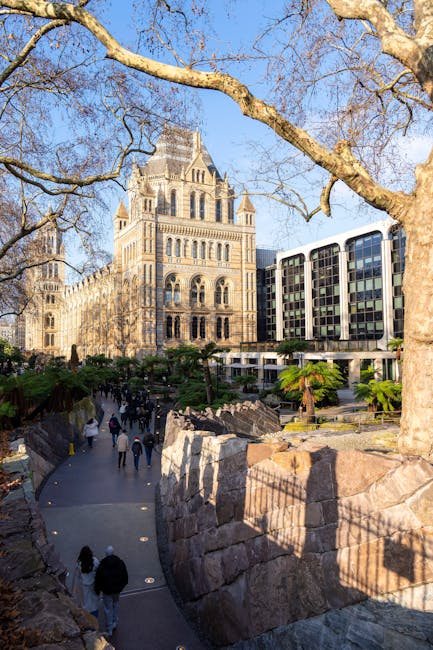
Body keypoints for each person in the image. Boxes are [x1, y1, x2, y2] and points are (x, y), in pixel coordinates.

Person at [94, 546, 128, 637]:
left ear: (106, 554)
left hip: (107, 591)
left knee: (108, 608)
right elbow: (125, 577)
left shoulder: (102, 565)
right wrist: (120, 587)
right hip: (116, 591)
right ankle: (115, 622)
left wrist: (98, 589)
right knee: (116, 605)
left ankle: (109, 628)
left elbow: (98, 579)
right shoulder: (120, 563)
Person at [71, 545, 100, 619]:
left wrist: (74, 591)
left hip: (84, 587)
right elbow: (100, 572)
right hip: (94, 585)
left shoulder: (79, 563)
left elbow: (77, 577)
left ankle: (87, 620)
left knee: (86, 603)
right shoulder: (95, 561)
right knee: (94, 604)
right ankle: (95, 619)